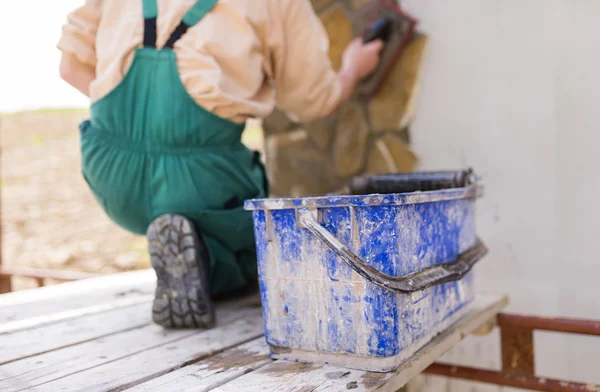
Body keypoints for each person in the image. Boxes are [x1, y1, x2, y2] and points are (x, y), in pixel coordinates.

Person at [58, 0, 383, 329]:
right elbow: (314, 102)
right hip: (199, 181)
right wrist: (352, 69)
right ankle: (208, 262)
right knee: (249, 248)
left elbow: (69, 68)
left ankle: (177, 246)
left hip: (110, 170)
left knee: (180, 209)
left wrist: (134, 118)